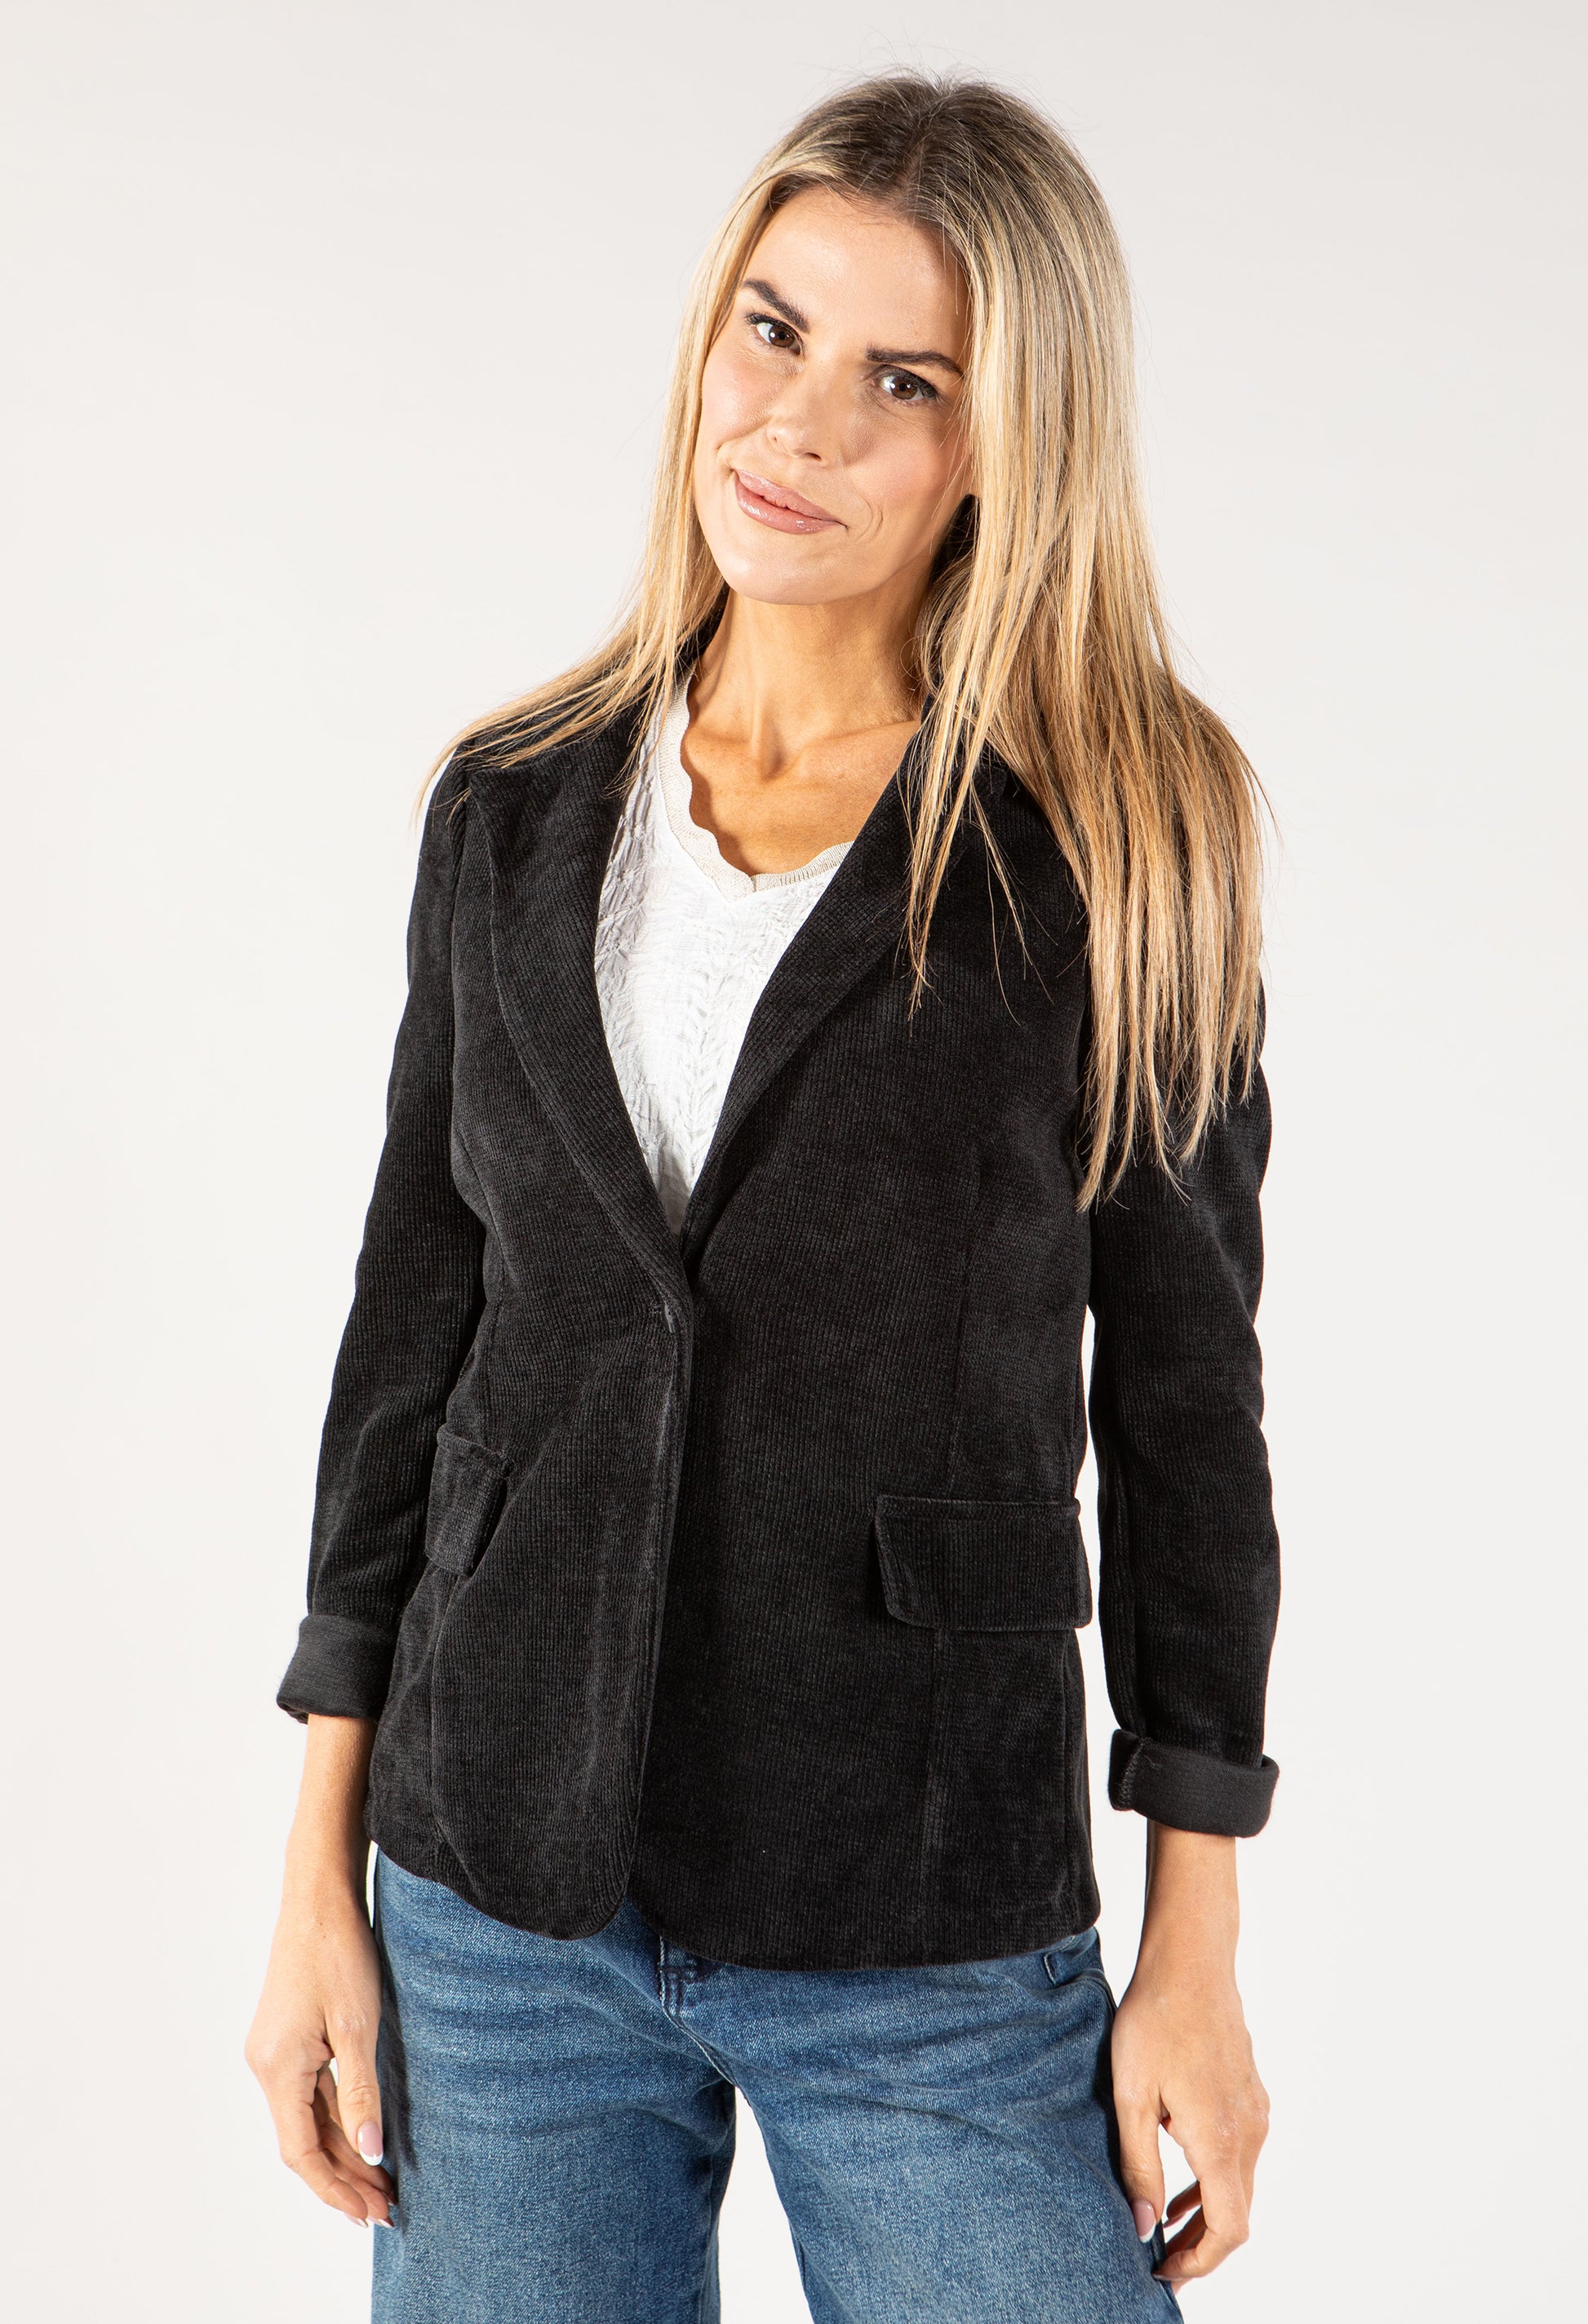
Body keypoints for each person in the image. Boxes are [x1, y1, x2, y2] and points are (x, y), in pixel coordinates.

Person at [247, 72, 1279, 2324]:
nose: (798, 424)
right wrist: (318, 1872)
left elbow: (1189, 1415)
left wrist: (1191, 1948)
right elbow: (410, 1337)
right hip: (494, 1894)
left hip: (916, 1893)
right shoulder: (512, 809)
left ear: (1003, 445)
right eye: (773, 329)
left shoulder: (1122, 835)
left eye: (905, 381)